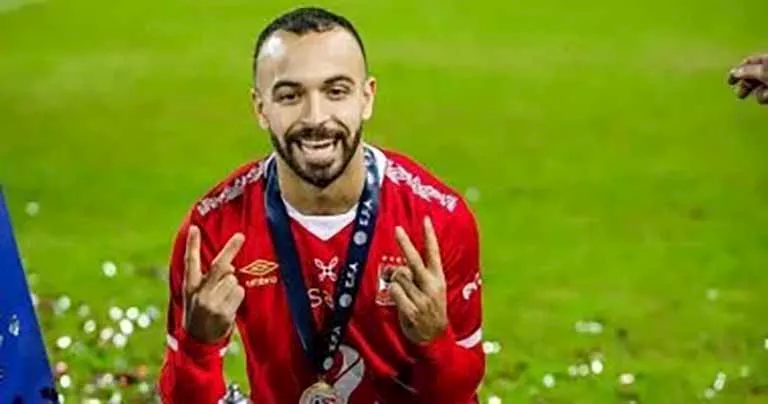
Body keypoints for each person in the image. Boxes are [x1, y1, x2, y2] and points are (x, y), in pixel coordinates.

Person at [157, 6, 485, 403]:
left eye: (336, 91)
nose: (315, 117)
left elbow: (459, 394)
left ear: (367, 98)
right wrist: (198, 348)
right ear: (261, 108)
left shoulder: (437, 218)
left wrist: (435, 341)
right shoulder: (214, 229)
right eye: (290, 95)